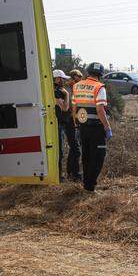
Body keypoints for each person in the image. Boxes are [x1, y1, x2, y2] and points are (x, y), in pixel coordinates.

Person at [72, 62, 112, 192]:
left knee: (86, 156)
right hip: (96, 129)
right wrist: (107, 127)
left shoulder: (77, 86)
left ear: (88, 72)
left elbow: (74, 109)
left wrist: (76, 126)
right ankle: (90, 187)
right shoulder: (99, 87)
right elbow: (100, 109)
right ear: (100, 74)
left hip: (82, 127)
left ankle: (86, 185)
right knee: (98, 156)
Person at [62, 69, 83, 181]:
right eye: (77, 79)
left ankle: (70, 173)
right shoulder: (68, 90)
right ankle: (75, 174)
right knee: (76, 149)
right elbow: (70, 107)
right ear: (72, 78)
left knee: (73, 148)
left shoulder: (74, 89)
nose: (79, 81)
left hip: (74, 121)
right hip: (68, 122)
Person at [52, 69, 70, 178]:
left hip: (55, 123)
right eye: (62, 78)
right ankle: (58, 177)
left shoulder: (52, 89)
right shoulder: (57, 91)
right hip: (57, 124)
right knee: (59, 152)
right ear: (57, 79)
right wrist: (67, 94)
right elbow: (65, 108)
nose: (64, 81)